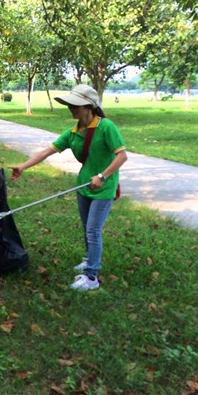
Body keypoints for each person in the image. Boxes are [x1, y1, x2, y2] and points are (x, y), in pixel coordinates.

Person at [9, 84, 127, 291]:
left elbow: (122, 156)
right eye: (70, 105)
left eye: (76, 105)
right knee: (86, 229)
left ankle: (91, 277)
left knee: (93, 230)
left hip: (103, 188)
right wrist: (22, 166)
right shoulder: (72, 133)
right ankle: (89, 258)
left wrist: (102, 175)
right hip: (83, 186)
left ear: (90, 106)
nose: (72, 109)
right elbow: (46, 152)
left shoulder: (106, 127)